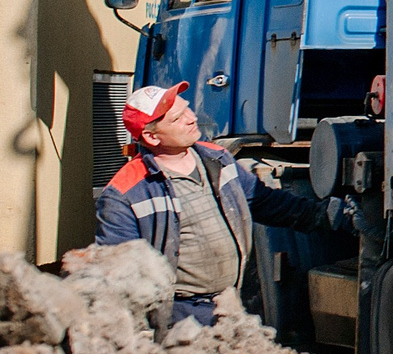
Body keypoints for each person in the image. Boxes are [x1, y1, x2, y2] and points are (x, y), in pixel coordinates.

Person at [94, 83, 348, 328]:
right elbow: (120, 274)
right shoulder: (125, 194)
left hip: (229, 304)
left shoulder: (216, 158)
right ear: (151, 136)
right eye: (176, 118)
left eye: (187, 109)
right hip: (181, 317)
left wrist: (323, 215)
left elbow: (265, 202)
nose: (191, 118)